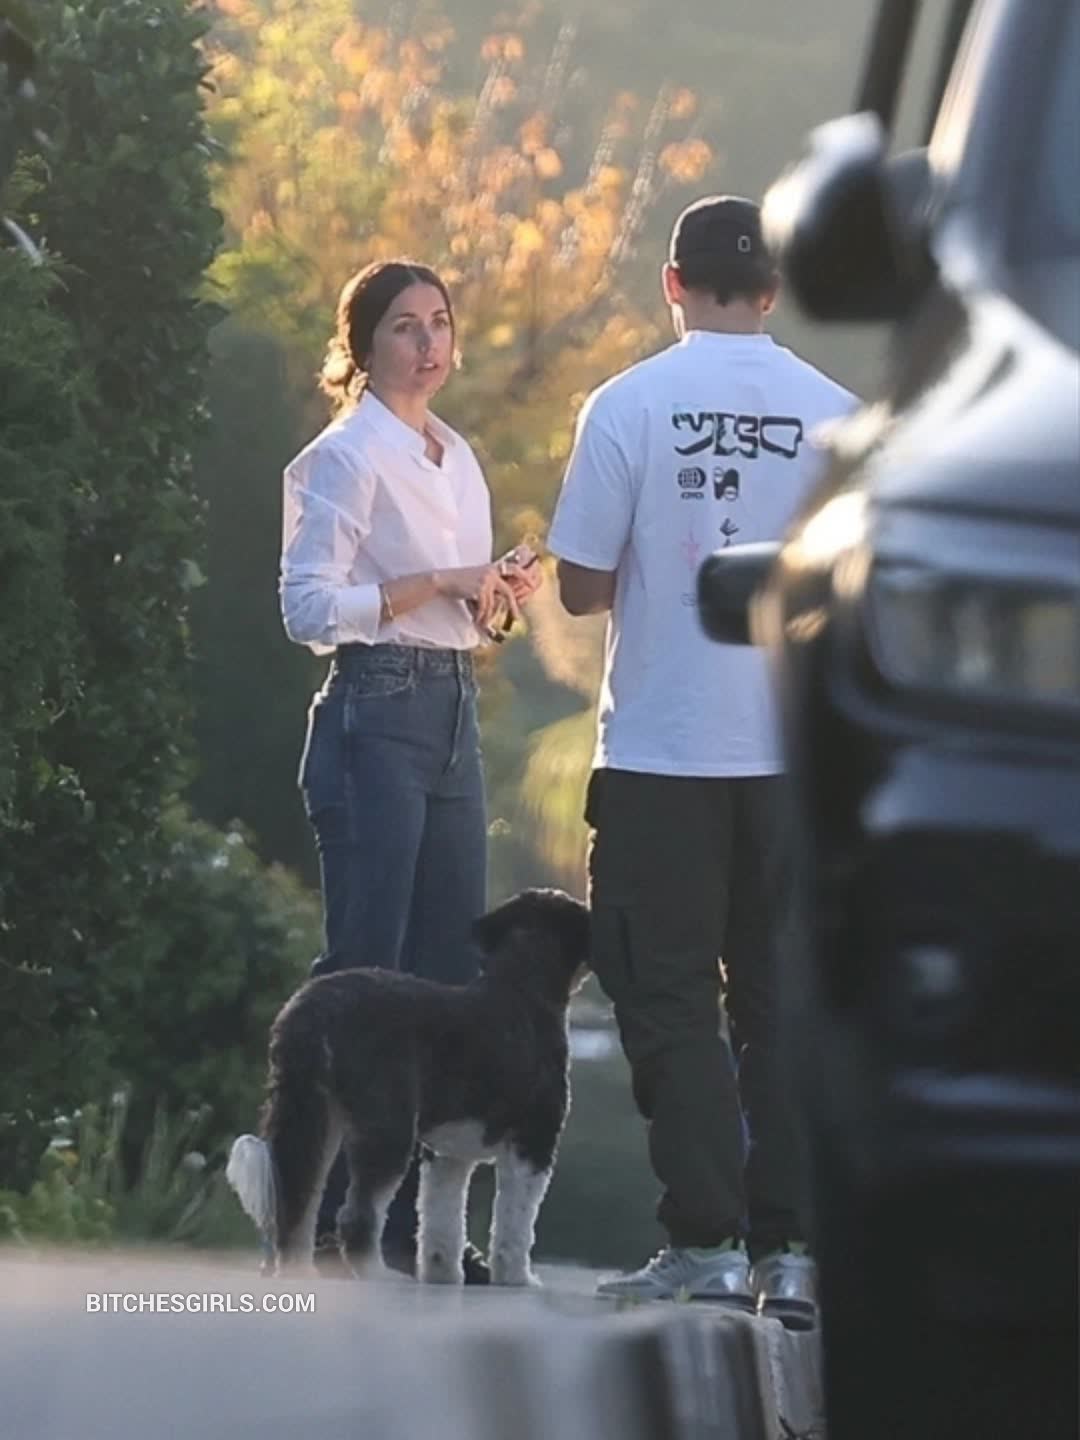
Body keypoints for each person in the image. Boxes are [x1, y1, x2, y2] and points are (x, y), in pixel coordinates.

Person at [546, 196, 857, 1321]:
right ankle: (796, 1252)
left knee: (669, 993)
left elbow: (580, 585)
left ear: (672, 283)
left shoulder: (626, 404)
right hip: (794, 761)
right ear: (773, 289)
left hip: (663, 753)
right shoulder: (840, 418)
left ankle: (706, 1242)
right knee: (784, 1002)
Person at [279, 258, 541, 1281]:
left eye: (440, 322)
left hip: (450, 708)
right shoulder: (342, 457)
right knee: (365, 969)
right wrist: (436, 581)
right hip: (373, 709)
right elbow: (307, 610)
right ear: (363, 345)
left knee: (446, 977)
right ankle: (317, 1215)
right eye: (404, 326)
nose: (429, 344)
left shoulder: (456, 455)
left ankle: (400, 1229)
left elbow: (459, 608)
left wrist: (491, 593)